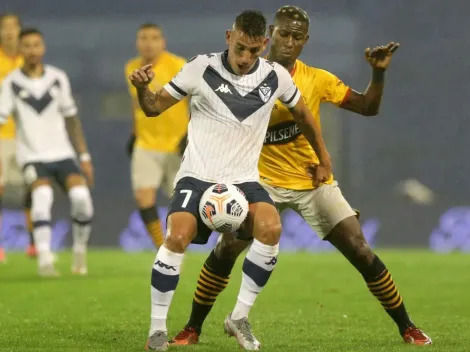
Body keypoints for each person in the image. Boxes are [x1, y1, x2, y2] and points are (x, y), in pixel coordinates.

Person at [169, 5, 431, 347]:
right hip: (258, 179)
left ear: (305, 41)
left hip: (311, 181)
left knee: (360, 249)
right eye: (283, 34)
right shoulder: (240, 76)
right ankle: (192, 328)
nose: (289, 41)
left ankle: (407, 326)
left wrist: (378, 74)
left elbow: (368, 107)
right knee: (228, 247)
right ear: (269, 37)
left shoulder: (317, 79)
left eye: (297, 36)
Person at [129, 9, 332, 351]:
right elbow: (152, 107)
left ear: (264, 44)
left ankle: (238, 317)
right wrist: (142, 88)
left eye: (253, 50)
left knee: (271, 229)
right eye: (240, 47)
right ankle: (157, 330)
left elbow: (304, 116)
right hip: (196, 177)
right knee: (176, 237)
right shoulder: (200, 68)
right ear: (229, 37)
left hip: (244, 182)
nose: (244, 57)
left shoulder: (275, 77)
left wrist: (324, 160)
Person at [0, 28, 94, 276]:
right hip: (32, 156)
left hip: (62, 153)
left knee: (81, 199)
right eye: (27, 45)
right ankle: (44, 259)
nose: (32, 50)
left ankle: (79, 252)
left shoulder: (57, 78)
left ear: (43, 48)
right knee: (41, 198)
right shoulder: (10, 83)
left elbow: (72, 119)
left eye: (36, 45)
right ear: (20, 50)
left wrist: (84, 156)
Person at [125, 23, 188, 250]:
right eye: (143, 38)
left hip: (176, 145)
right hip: (146, 144)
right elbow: (136, 104)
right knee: (143, 198)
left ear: (163, 42)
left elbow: (194, 103)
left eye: (154, 38)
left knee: (181, 204)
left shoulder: (178, 66)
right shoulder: (131, 67)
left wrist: (191, 134)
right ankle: (162, 249)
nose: (148, 43)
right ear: (137, 42)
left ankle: (177, 244)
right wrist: (134, 134)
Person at [0, 12, 36, 263]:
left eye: (14, 27)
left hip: (28, 137)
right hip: (1, 135)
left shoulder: (30, 61)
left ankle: (35, 244)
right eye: (4, 27)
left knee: (34, 188)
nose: (9, 32)